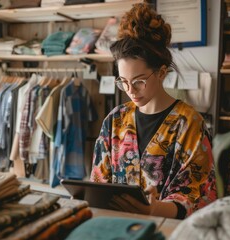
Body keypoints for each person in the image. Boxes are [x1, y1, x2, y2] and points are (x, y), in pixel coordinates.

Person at [90, 2, 216, 219]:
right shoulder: (115, 120)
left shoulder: (188, 123)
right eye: (123, 82)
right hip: (118, 227)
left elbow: (200, 194)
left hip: (167, 229)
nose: (130, 91)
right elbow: (99, 182)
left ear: (161, 73)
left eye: (139, 81)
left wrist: (156, 208)